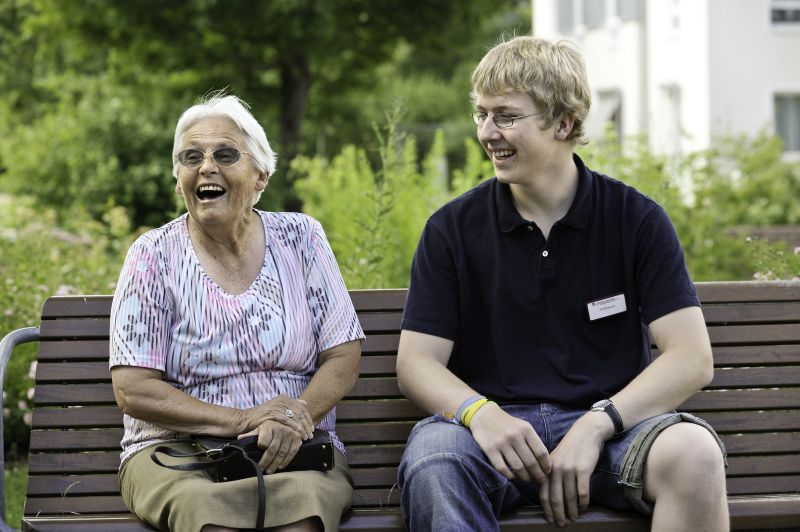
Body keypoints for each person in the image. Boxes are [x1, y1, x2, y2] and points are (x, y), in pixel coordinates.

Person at [396, 36, 729, 531]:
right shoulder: (451, 230)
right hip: (490, 435)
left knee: (695, 453)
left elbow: (692, 358)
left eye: (505, 116)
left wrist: (598, 423)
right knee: (433, 462)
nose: (488, 132)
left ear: (563, 123)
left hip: (613, 432)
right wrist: (480, 415)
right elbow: (417, 362)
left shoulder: (636, 220)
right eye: (481, 114)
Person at [109, 92, 363, 532]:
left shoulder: (302, 238)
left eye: (225, 154)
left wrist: (292, 417)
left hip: (295, 445)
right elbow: (134, 389)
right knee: (209, 514)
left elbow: (343, 354)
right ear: (179, 180)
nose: (206, 166)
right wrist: (242, 420)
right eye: (192, 157)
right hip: (178, 451)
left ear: (261, 175)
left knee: (305, 507)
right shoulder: (152, 255)